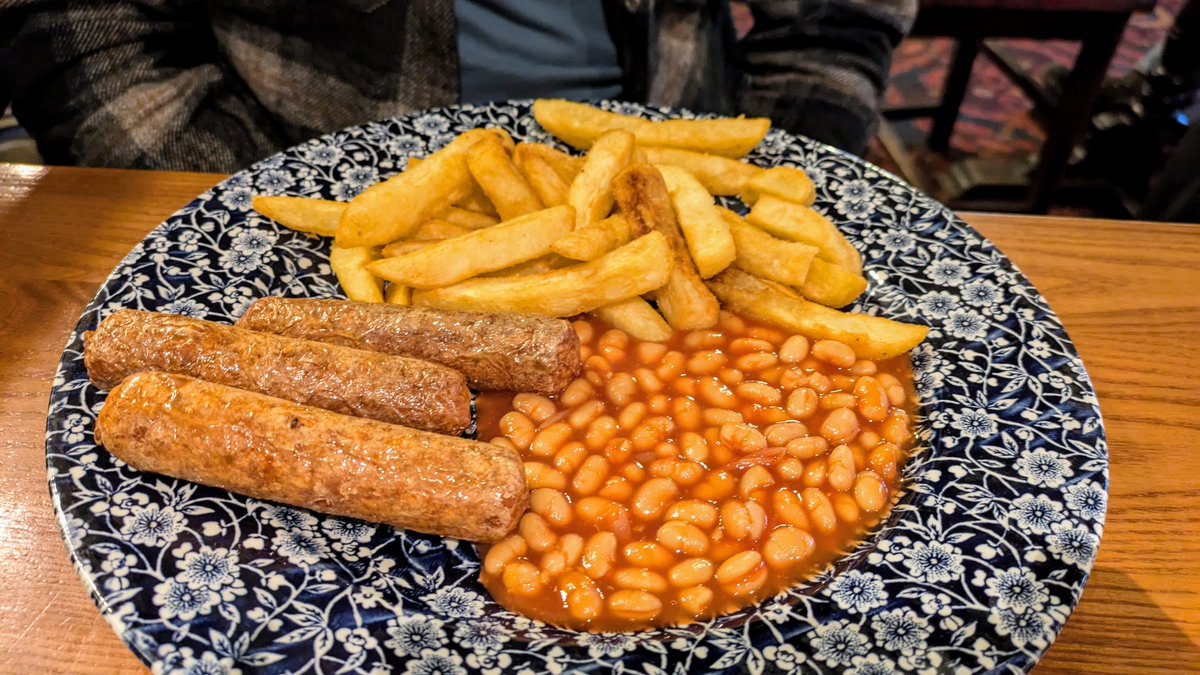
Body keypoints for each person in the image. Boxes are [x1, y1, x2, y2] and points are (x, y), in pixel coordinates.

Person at [0, 0, 916, 173]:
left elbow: (836, 18)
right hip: (281, 163)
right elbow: (85, 31)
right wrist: (257, 217)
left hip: (688, 170)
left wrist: (789, 180)